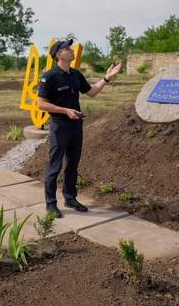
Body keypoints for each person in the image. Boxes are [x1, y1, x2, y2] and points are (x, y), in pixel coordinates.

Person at [37, 39, 121, 218]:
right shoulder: (49, 76)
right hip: (60, 127)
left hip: (76, 126)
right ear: (59, 55)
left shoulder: (75, 74)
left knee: (73, 165)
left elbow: (91, 92)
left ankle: (70, 198)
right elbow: (41, 104)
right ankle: (51, 204)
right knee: (55, 166)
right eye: (67, 48)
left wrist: (107, 78)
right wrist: (65, 111)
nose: (71, 50)